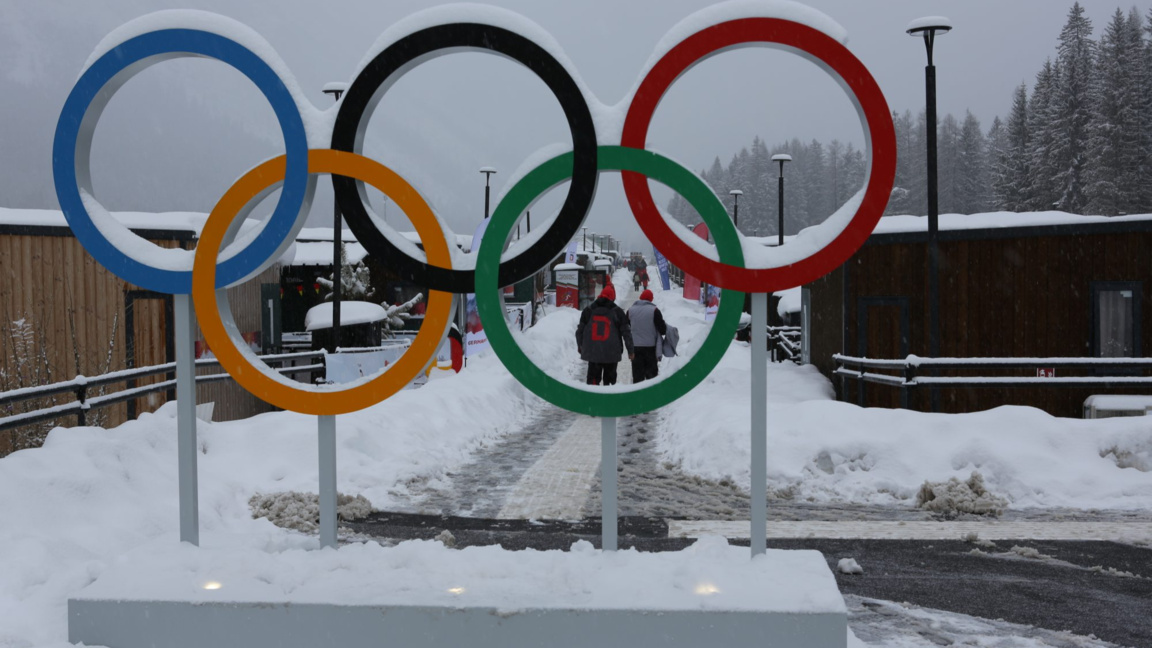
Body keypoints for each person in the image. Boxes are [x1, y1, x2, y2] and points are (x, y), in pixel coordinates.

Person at [576, 285, 634, 385]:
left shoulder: (588, 311)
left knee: (593, 382)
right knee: (609, 383)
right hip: (611, 353)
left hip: (593, 353)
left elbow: (579, 331)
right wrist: (631, 350)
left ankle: (593, 399)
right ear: (612, 297)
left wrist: (580, 345)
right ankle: (608, 397)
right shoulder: (618, 312)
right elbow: (626, 332)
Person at [626, 289, 667, 384]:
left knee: (637, 376)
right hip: (650, 349)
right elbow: (663, 330)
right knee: (651, 377)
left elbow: (626, 326)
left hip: (635, 348)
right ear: (651, 299)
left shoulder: (630, 310)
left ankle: (637, 396)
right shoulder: (654, 310)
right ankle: (650, 396)